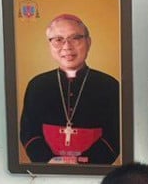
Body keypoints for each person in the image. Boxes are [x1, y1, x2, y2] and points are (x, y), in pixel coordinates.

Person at [21, 13, 122, 165]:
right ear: (50, 45)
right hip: (49, 168)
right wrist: (48, 161)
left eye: (75, 38)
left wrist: (86, 164)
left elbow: (115, 137)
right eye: (58, 40)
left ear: (88, 42)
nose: (67, 47)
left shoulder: (109, 86)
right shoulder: (37, 85)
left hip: (93, 170)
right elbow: (29, 133)